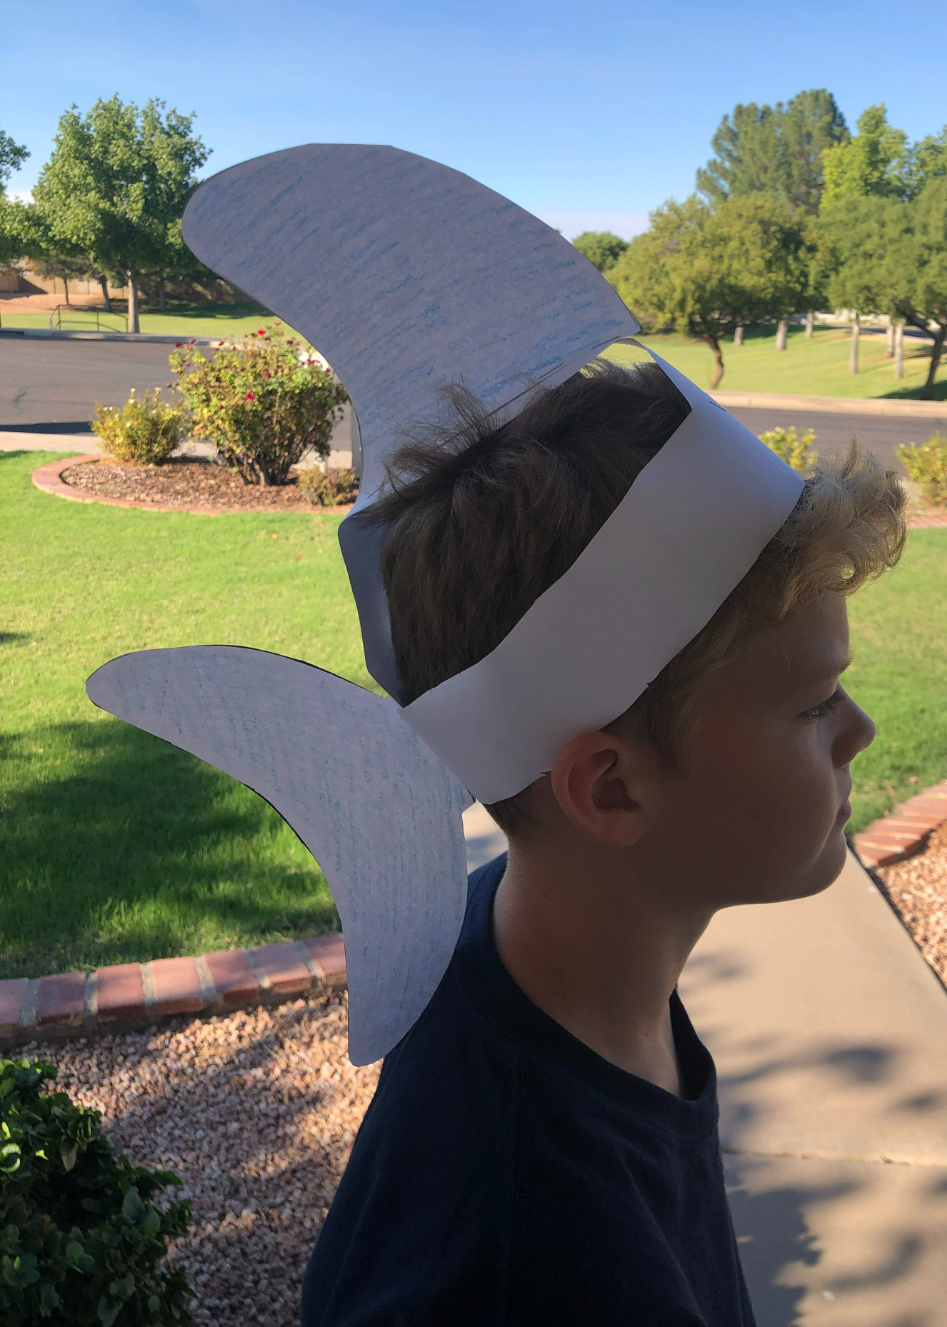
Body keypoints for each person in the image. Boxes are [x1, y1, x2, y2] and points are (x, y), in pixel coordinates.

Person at [301, 359, 906, 1326]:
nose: (860, 730)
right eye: (814, 703)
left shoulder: (539, 958)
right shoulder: (542, 1260)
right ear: (610, 788)